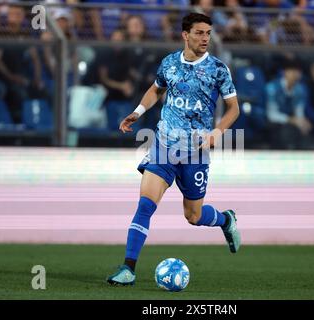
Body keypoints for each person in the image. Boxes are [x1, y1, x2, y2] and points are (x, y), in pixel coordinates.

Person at [106, 12, 241, 286]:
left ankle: (225, 220)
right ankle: (128, 269)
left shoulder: (217, 69)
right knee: (145, 205)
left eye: (208, 33)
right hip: (164, 146)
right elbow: (156, 90)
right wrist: (138, 111)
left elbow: (233, 108)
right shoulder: (169, 63)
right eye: (200, 33)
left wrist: (217, 132)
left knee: (193, 216)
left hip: (195, 152)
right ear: (185, 35)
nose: (205, 38)